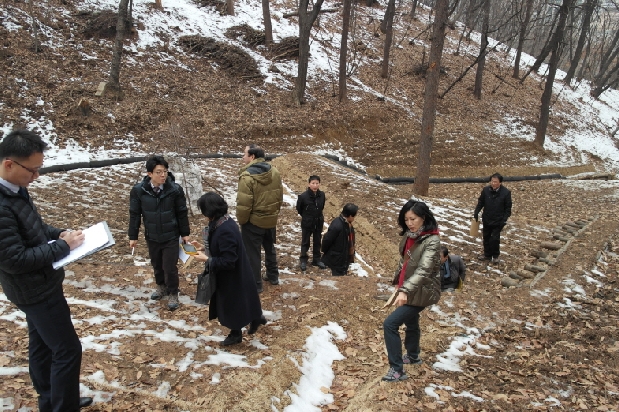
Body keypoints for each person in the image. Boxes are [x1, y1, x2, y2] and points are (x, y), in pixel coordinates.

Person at [0, 129, 93, 411]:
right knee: (67, 350)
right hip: (34, 290)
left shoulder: (16, 190)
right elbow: (14, 258)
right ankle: (63, 406)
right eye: (33, 170)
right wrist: (62, 247)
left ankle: (51, 399)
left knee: (41, 344)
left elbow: (35, 229)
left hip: (40, 284)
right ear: (9, 164)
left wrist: (59, 232)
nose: (36, 176)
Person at [192, 192, 266, 346]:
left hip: (232, 276)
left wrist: (207, 259)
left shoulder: (225, 230)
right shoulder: (223, 222)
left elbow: (228, 261)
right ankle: (256, 317)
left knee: (232, 305)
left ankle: (235, 333)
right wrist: (202, 247)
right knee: (243, 298)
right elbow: (221, 248)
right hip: (237, 273)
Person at [382, 200, 441, 382]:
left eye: (413, 219)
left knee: (390, 324)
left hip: (422, 290)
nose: (410, 223)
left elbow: (424, 270)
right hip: (410, 287)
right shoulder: (410, 236)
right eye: (406, 219)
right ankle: (413, 355)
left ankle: (397, 369)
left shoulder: (432, 241)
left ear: (423, 218)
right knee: (411, 322)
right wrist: (397, 282)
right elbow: (404, 261)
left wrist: (405, 290)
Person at [128, 155, 190, 311]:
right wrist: (133, 236)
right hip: (152, 235)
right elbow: (135, 214)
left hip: (170, 235)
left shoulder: (175, 190)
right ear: (150, 174)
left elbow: (181, 213)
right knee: (157, 264)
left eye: (165, 171)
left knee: (170, 267)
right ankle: (161, 287)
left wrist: (185, 233)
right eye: (159, 172)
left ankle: (173, 292)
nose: (163, 175)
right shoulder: (139, 191)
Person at [236, 144, 283, 293]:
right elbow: (279, 197)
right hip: (270, 219)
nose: (243, 157)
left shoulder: (247, 177)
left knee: (252, 253)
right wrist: (273, 213)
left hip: (254, 222)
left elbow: (244, 205)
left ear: (252, 157)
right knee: (270, 248)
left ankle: (255, 284)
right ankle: (273, 276)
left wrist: (242, 221)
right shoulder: (274, 171)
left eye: (245, 154)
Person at [473, 172, 512, 264]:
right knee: (486, 236)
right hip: (487, 218)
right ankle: (487, 254)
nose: (493, 183)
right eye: (492, 181)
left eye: (495, 182)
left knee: (494, 238)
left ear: (500, 183)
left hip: (498, 220)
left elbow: (508, 208)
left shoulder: (506, 193)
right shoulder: (486, 190)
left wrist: (504, 219)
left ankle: (495, 256)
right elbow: (481, 202)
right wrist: (476, 211)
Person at [296, 175, 326, 271]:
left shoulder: (322, 195)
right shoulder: (303, 196)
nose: (315, 185)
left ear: (319, 184)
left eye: (317, 183)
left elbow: (322, 207)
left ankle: (316, 259)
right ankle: (303, 260)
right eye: (313, 183)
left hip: (318, 221)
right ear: (309, 184)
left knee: (317, 241)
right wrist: (307, 216)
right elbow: (299, 209)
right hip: (307, 222)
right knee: (305, 241)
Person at [321, 203, 358, 277]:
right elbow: (327, 240)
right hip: (337, 259)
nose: (354, 218)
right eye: (354, 216)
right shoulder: (338, 225)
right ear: (350, 216)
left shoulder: (347, 224)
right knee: (338, 278)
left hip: (342, 257)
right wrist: (326, 252)